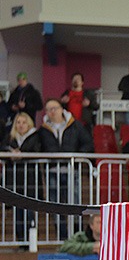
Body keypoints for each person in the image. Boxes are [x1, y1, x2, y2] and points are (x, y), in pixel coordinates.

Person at [39, 98, 94, 240]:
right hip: (52, 171)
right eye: (48, 109)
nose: (52, 112)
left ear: (61, 109)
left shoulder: (75, 125)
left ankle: (76, 235)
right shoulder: (44, 129)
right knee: (54, 205)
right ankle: (62, 237)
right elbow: (38, 146)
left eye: (54, 108)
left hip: (71, 170)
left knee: (74, 203)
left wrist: (78, 155)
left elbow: (87, 142)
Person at [2, 112, 42, 242]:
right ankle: (20, 240)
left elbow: (37, 150)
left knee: (29, 210)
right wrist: (10, 153)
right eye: (18, 122)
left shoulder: (35, 136)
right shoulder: (10, 138)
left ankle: (31, 240)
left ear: (29, 124)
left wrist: (21, 155)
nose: (20, 125)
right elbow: (2, 148)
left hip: (30, 179)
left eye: (23, 122)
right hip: (14, 180)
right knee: (17, 211)